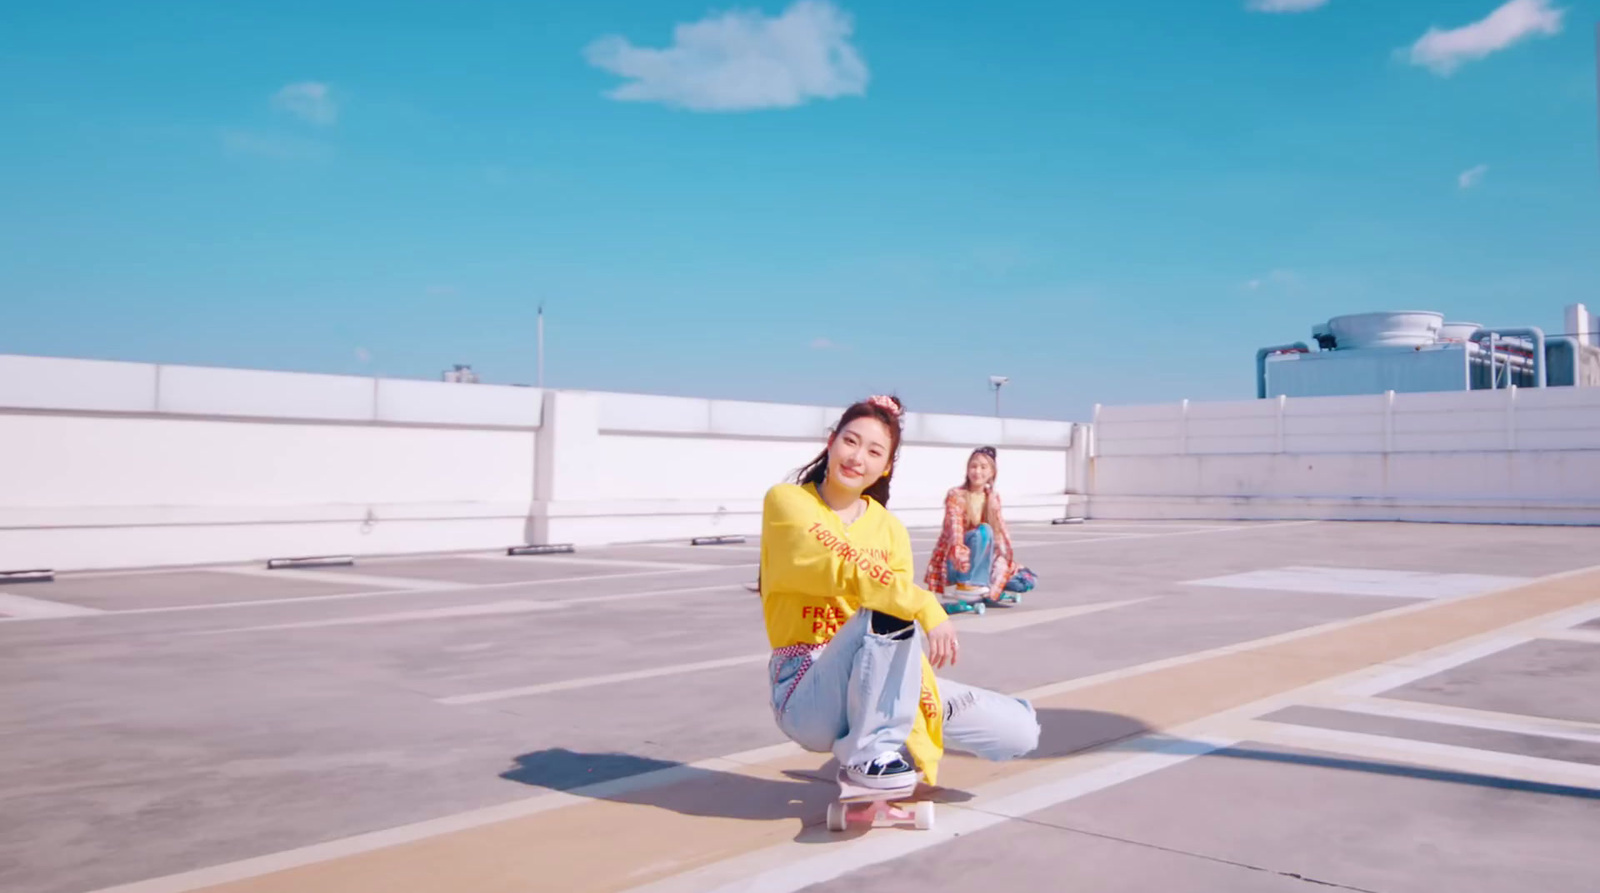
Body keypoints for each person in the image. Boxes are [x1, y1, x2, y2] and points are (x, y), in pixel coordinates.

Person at [758, 395, 1039, 790]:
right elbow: (839, 568)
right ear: (831, 441)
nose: (858, 457)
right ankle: (869, 754)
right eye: (850, 442)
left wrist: (920, 716)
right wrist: (925, 602)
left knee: (1019, 731)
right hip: (808, 690)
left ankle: (886, 743)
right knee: (884, 607)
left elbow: (899, 627)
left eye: (874, 451)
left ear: (886, 466)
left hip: (880, 680)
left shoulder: (889, 529)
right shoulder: (787, 501)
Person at [924, 446, 1017, 604]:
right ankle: (969, 584)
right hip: (956, 563)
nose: (977, 471)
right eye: (973, 466)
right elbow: (956, 532)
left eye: (983, 467)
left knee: (1022, 579)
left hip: (981, 563)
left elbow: (1000, 537)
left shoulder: (992, 498)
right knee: (983, 531)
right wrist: (961, 559)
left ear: (992, 472)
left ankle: (984, 586)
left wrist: (1008, 563)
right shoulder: (956, 495)